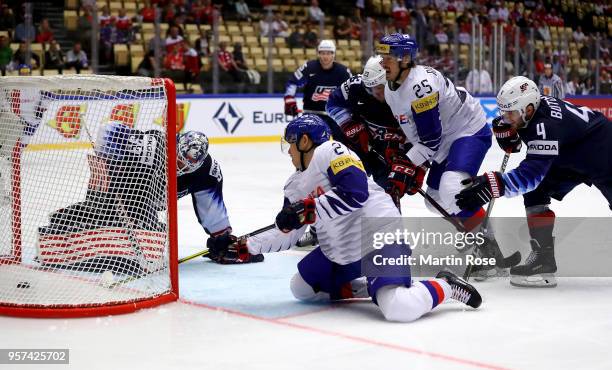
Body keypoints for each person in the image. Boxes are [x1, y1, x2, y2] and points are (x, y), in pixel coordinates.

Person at [209, 114, 482, 322]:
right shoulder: (293, 186)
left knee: (400, 307)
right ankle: (367, 285)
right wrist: (243, 246)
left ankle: (445, 285)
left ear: (305, 141)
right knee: (301, 288)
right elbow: (287, 231)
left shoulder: (332, 151)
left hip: (378, 236)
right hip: (340, 252)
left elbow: (355, 192)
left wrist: (308, 209)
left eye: (291, 144)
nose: (289, 152)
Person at [455, 76, 611, 287]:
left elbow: (530, 176)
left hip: (604, 153)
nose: (505, 118)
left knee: (532, 185)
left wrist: (493, 184)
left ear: (528, 109)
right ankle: (543, 260)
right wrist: (510, 130)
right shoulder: (532, 110)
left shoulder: (545, 126)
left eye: (509, 114)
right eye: (503, 112)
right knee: (536, 193)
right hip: (569, 154)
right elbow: (532, 165)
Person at [376, 33, 511, 278]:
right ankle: (477, 235)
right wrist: (406, 156)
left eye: (388, 57)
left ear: (405, 58)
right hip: (446, 138)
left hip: (468, 129)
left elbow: (430, 140)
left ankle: (490, 252)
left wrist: (409, 164)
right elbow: (416, 133)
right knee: (434, 199)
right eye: (381, 56)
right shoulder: (390, 87)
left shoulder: (420, 88)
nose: (382, 62)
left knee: (451, 190)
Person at [177, 131, 264, 264]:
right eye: (180, 160)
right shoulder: (151, 148)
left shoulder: (207, 170)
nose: (181, 167)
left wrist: (221, 238)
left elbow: (211, 207)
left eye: (190, 163)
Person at [326, 55, 409, 188]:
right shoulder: (356, 85)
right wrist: (351, 126)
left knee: (388, 191)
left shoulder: (408, 93)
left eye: (378, 87)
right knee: (345, 183)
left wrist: (404, 155)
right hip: (358, 143)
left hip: (389, 149)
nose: (374, 92)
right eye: (370, 88)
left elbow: (421, 135)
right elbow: (332, 103)